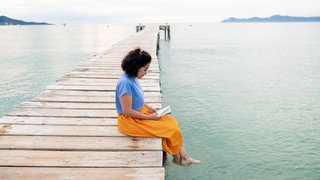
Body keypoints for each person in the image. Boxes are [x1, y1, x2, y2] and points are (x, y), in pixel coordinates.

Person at [115, 48, 201, 167]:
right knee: (169, 129)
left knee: (172, 123)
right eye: (145, 69)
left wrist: (150, 109)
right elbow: (127, 111)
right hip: (130, 121)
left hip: (140, 113)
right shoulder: (126, 83)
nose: (146, 72)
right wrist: (150, 118)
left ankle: (182, 157)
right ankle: (180, 158)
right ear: (136, 67)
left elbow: (136, 100)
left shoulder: (132, 78)